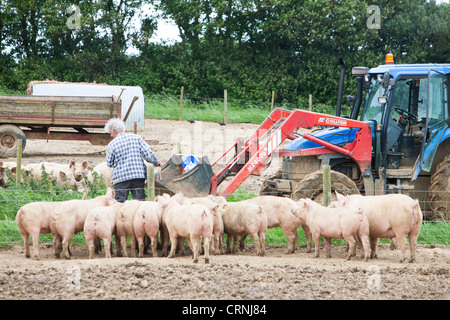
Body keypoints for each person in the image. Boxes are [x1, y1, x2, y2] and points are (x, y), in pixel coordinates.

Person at [104, 118, 161, 202]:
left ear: (115, 131)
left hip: (120, 178)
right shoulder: (137, 138)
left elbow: (109, 163)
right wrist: (156, 161)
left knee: (120, 203)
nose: (111, 135)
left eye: (111, 133)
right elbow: (147, 154)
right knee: (139, 202)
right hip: (138, 176)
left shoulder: (111, 145)